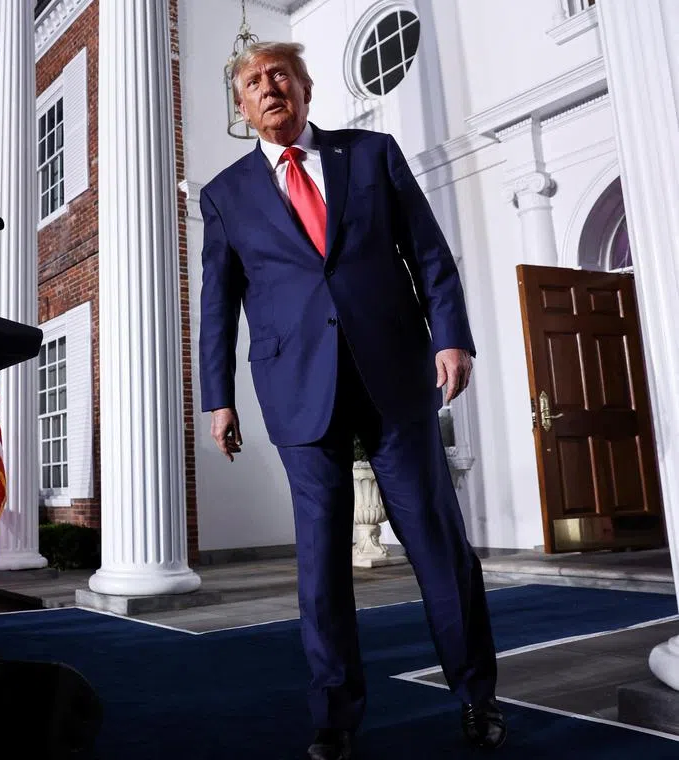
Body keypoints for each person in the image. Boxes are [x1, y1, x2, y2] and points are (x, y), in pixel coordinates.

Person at [198, 41, 503, 759]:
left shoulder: (372, 154)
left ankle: (477, 696)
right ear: (241, 108)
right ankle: (334, 713)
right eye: (253, 81)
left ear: (304, 88)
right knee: (321, 559)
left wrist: (449, 337)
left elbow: (429, 254)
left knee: (437, 543)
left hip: (395, 373)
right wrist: (219, 397)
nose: (269, 87)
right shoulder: (226, 195)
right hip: (295, 386)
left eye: (280, 75)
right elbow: (219, 305)